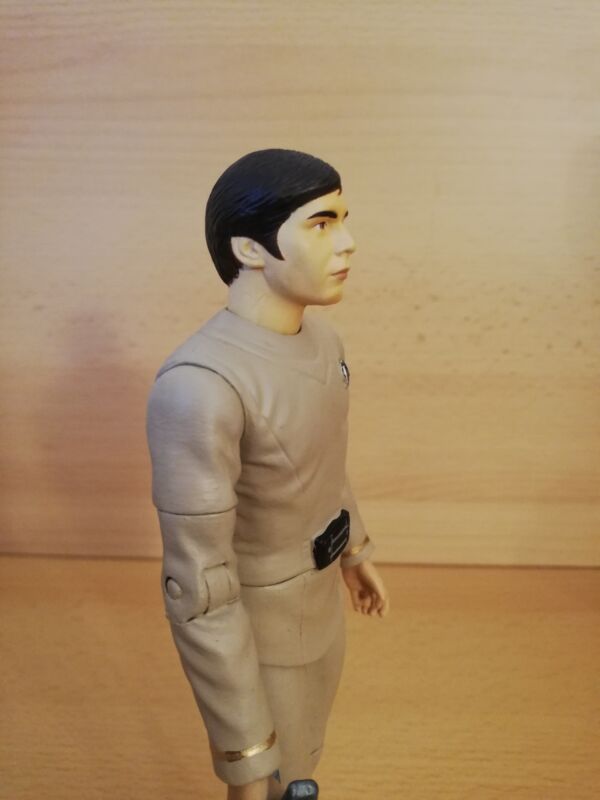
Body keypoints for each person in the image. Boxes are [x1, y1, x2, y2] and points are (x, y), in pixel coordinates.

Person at [147, 149, 389, 800]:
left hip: (321, 613)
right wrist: (245, 751)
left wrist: (354, 550)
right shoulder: (200, 387)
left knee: (306, 753)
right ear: (250, 249)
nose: (348, 242)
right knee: (280, 777)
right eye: (321, 224)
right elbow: (200, 587)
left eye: (343, 220)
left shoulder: (324, 343)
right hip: (260, 634)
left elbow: (324, 464)